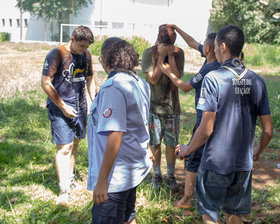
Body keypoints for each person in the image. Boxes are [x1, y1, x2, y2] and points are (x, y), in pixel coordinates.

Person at [176, 25, 273, 224]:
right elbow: (269, 130)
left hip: (216, 163)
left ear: (222, 46)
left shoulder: (213, 79)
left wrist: (187, 149)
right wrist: (257, 150)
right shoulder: (257, 81)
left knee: (210, 213)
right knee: (234, 214)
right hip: (243, 165)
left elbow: (205, 129)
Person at [87, 37, 154, 224]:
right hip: (131, 168)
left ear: (106, 59)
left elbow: (115, 133)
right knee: (127, 216)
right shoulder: (139, 83)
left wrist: (102, 180)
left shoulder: (113, 87)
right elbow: (142, 119)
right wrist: (146, 147)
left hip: (114, 177)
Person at [159, 24, 220, 209]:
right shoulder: (213, 57)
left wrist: (167, 71)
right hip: (215, 117)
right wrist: (177, 28)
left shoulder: (209, 69)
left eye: (205, 46)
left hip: (205, 118)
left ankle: (187, 199)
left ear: (209, 48)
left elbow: (185, 87)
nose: (201, 46)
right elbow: (193, 43)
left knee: (193, 155)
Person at [41, 25, 96, 205]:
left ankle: (70, 180)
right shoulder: (56, 54)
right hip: (60, 106)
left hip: (80, 106)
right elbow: (46, 83)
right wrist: (63, 106)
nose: (84, 50)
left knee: (74, 144)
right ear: (72, 39)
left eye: (86, 47)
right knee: (64, 147)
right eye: (81, 46)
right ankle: (63, 190)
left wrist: (93, 99)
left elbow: (89, 78)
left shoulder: (86, 55)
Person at [141, 24, 185, 190]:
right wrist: (161, 56)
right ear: (158, 37)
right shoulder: (149, 53)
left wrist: (170, 56)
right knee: (155, 142)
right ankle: (157, 175)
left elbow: (177, 76)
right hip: (154, 107)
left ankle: (171, 176)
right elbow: (152, 79)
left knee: (171, 144)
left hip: (172, 107)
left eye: (171, 38)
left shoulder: (179, 53)